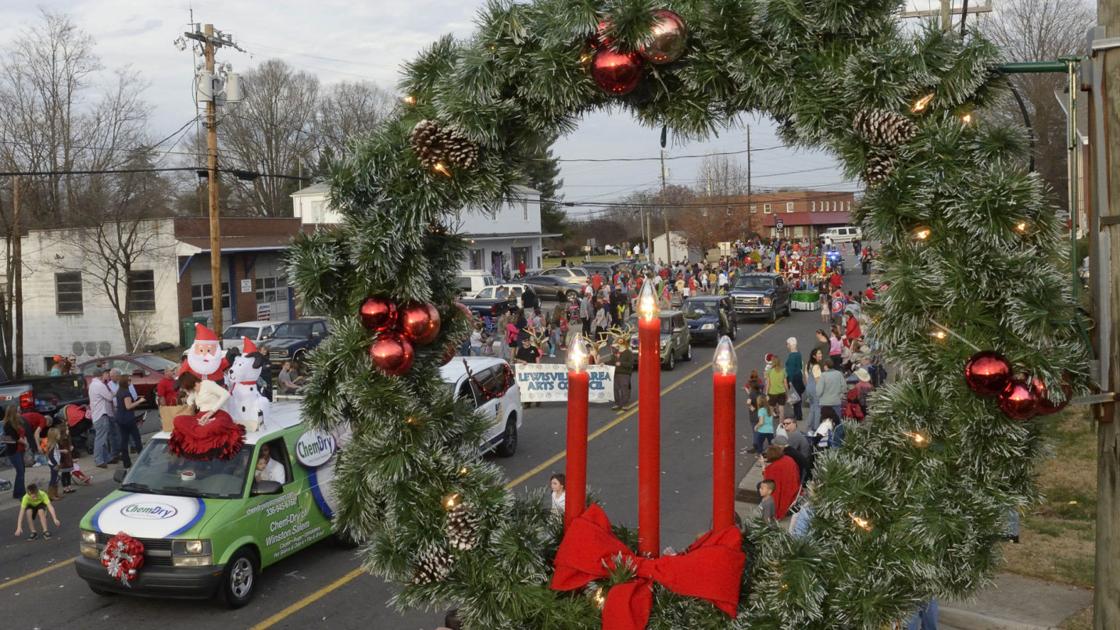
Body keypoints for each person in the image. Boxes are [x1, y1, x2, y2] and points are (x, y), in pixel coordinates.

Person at [114, 374, 146, 470]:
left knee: (124, 440)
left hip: (120, 417)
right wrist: (140, 401)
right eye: (129, 380)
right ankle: (142, 460)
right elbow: (128, 406)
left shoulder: (119, 391)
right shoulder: (126, 393)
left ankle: (126, 462)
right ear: (126, 382)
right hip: (128, 418)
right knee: (137, 439)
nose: (130, 382)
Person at [761, 445, 800, 520]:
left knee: (760, 486)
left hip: (784, 493)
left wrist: (763, 467)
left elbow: (768, 481)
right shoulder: (788, 459)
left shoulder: (774, 467)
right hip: (793, 487)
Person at [88, 367, 115, 468]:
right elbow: (110, 397)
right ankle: (98, 460)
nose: (107, 375)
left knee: (101, 437)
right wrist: (113, 392)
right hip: (101, 414)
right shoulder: (100, 385)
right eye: (106, 373)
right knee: (100, 439)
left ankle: (106, 457)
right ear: (101, 375)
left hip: (96, 414)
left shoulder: (92, 385)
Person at [2, 406, 28, 500]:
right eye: (18, 411)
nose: (20, 412)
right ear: (13, 413)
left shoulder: (18, 422)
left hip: (20, 449)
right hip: (14, 451)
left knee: (22, 471)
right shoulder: (8, 424)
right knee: (20, 471)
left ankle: (18, 491)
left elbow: (22, 433)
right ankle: (20, 493)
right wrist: (25, 443)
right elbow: (15, 437)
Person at [609, 340, 635, 410]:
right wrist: (603, 364)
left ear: (624, 344)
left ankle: (624, 404)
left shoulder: (628, 353)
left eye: (619, 344)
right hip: (616, 373)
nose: (617, 346)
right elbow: (611, 362)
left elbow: (631, 364)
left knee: (624, 389)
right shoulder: (616, 353)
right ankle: (617, 404)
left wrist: (621, 363)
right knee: (615, 389)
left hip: (625, 374)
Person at [784, 337, 804, 422]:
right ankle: (798, 414)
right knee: (798, 396)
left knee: (794, 397)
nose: (787, 346)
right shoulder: (798, 354)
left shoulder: (791, 356)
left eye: (788, 344)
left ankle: (797, 415)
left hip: (793, 379)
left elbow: (790, 370)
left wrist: (790, 382)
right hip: (799, 377)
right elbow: (800, 366)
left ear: (791, 345)